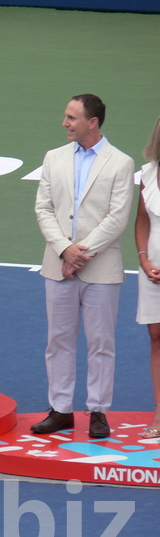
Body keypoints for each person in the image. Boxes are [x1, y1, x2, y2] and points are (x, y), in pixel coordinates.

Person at [31, 94, 134, 439]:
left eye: (72, 117)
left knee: (100, 342)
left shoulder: (120, 162)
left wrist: (79, 253)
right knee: (58, 339)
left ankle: (98, 412)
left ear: (93, 122)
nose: (65, 123)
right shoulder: (53, 158)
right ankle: (60, 410)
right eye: (66, 116)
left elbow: (118, 217)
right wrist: (64, 250)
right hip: (59, 265)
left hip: (99, 269)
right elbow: (43, 208)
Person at [134, 116, 160, 439]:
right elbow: (142, 222)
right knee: (157, 338)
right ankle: (159, 411)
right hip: (152, 272)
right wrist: (143, 259)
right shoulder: (149, 174)